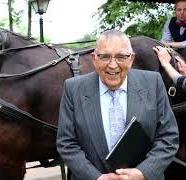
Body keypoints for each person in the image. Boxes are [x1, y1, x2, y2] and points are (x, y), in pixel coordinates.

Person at [57, 30, 179, 180]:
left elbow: (168, 136)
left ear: (131, 58)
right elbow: (66, 143)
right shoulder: (73, 88)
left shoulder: (153, 82)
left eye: (121, 57)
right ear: (94, 58)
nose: (113, 65)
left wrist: (143, 172)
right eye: (105, 57)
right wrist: (96, 177)